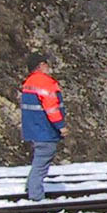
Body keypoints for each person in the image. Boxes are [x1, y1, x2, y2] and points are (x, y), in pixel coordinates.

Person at [21, 52, 68, 201]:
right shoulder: (45, 82)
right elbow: (51, 108)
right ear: (41, 66)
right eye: (46, 63)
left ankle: (30, 188)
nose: (48, 66)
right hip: (45, 129)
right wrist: (61, 126)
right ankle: (35, 196)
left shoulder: (29, 82)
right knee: (42, 161)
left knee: (39, 160)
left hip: (34, 128)